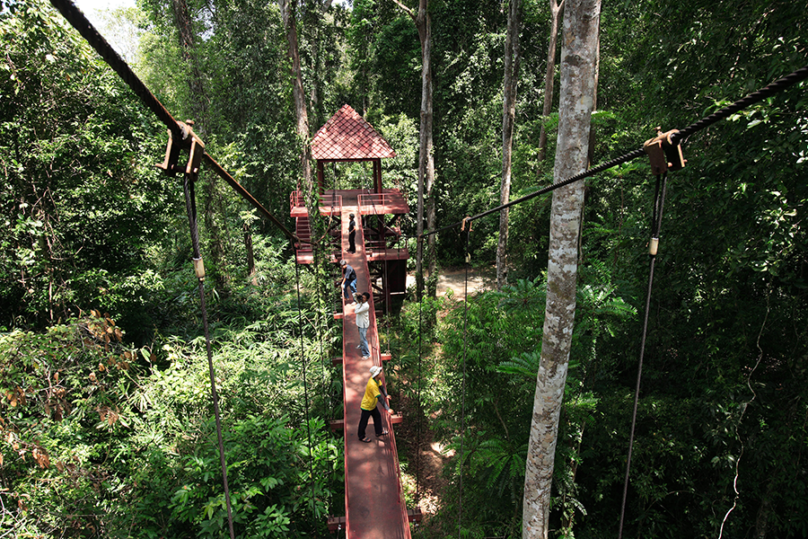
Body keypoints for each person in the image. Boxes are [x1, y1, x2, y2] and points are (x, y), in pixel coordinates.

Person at [358, 365, 391, 443]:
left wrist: (386, 395)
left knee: (377, 417)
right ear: (376, 374)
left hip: (372, 405)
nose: (381, 373)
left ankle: (379, 431)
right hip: (367, 406)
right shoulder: (372, 385)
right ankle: (361, 436)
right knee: (364, 422)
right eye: (380, 372)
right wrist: (388, 409)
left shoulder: (376, 379)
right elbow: (380, 399)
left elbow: (381, 386)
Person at [354, 292, 370, 359]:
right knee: (361, 336)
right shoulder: (361, 303)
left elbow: (356, 311)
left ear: (366, 299)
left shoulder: (366, 306)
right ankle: (361, 345)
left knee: (363, 339)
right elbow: (354, 295)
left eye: (363, 298)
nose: (362, 298)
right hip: (359, 323)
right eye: (362, 297)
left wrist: (358, 302)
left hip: (363, 325)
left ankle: (366, 354)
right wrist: (357, 296)